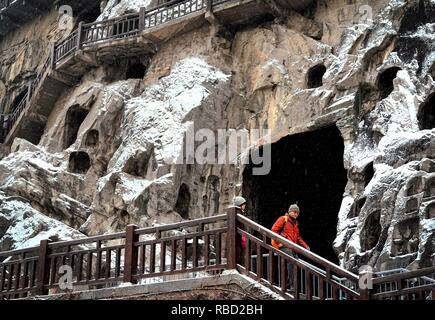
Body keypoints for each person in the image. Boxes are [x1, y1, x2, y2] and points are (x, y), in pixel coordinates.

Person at [271, 203, 310, 292]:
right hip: (284, 246)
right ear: (290, 212)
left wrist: (306, 246)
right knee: (291, 262)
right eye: (294, 212)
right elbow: (274, 230)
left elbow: (298, 237)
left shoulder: (295, 224)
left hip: (292, 247)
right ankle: (292, 287)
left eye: (297, 212)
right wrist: (280, 243)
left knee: (296, 263)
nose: (296, 214)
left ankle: (291, 286)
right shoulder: (283, 219)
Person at [231, 196, 247, 265]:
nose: (245, 206)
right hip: (237, 238)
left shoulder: (239, 213)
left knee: (240, 254)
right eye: (243, 204)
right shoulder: (237, 214)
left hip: (239, 237)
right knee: (238, 254)